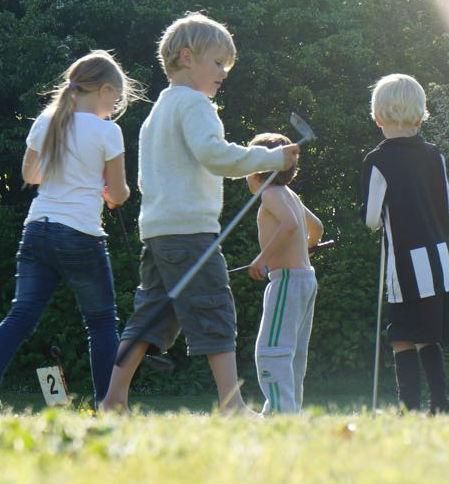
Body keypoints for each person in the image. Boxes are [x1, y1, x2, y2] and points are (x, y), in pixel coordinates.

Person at [99, 13, 299, 414]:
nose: (224, 72)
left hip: (158, 232)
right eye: (218, 62)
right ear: (187, 57)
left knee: (151, 316)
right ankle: (232, 406)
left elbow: (148, 176)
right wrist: (272, 156)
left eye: (227, 65)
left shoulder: (161, 108)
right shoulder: (195, 104)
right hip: (190, 233)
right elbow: (215, 155)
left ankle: (114, 399)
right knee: (214, 311)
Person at [0, 50, 142, 404]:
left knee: (20, 317)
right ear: (104, 89)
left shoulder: (46, 122)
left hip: (37, 228)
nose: (116, 105)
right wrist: (108, 192)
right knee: (101, 322)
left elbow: (30, 175)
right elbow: (121, 192)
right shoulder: (107, 131)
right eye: (116, 98)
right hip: (80, 233)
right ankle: (107, 404)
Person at [361, 74, 449, 414]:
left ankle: (409, 407)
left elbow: (372, 219)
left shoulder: (378, 159)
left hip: (405, 261)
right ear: (420, 115)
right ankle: (440, 403)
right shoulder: (435, 154)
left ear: (378, 117)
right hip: (439, 260)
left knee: (401, 332)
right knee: (428, 332)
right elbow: (448, 207)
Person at [243, 133, 323, 414]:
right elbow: (317, 228)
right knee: (294, 354)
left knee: (271, 351)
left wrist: (261, 259)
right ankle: (289, 409)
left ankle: (279, 413)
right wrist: (307, 247)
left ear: (258, 170)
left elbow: (289, 224)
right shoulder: (290, 195)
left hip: (286, 280)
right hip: (306, 279)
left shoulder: (269, 194)